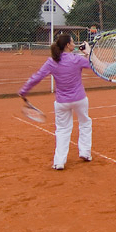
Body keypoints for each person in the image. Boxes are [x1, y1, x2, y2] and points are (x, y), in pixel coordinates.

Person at [18, 34, 92, 170]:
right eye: (72, 42)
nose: (74, 43)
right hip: (79, 99)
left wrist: (24, 90)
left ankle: (59, 161)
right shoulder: (76, 59)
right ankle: (85, 153)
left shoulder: (52, 61)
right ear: (68, 45)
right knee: (85, 123)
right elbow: (92, 65)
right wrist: (88, 53)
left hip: (62, 101)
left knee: (62, 130)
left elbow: (37, 77)